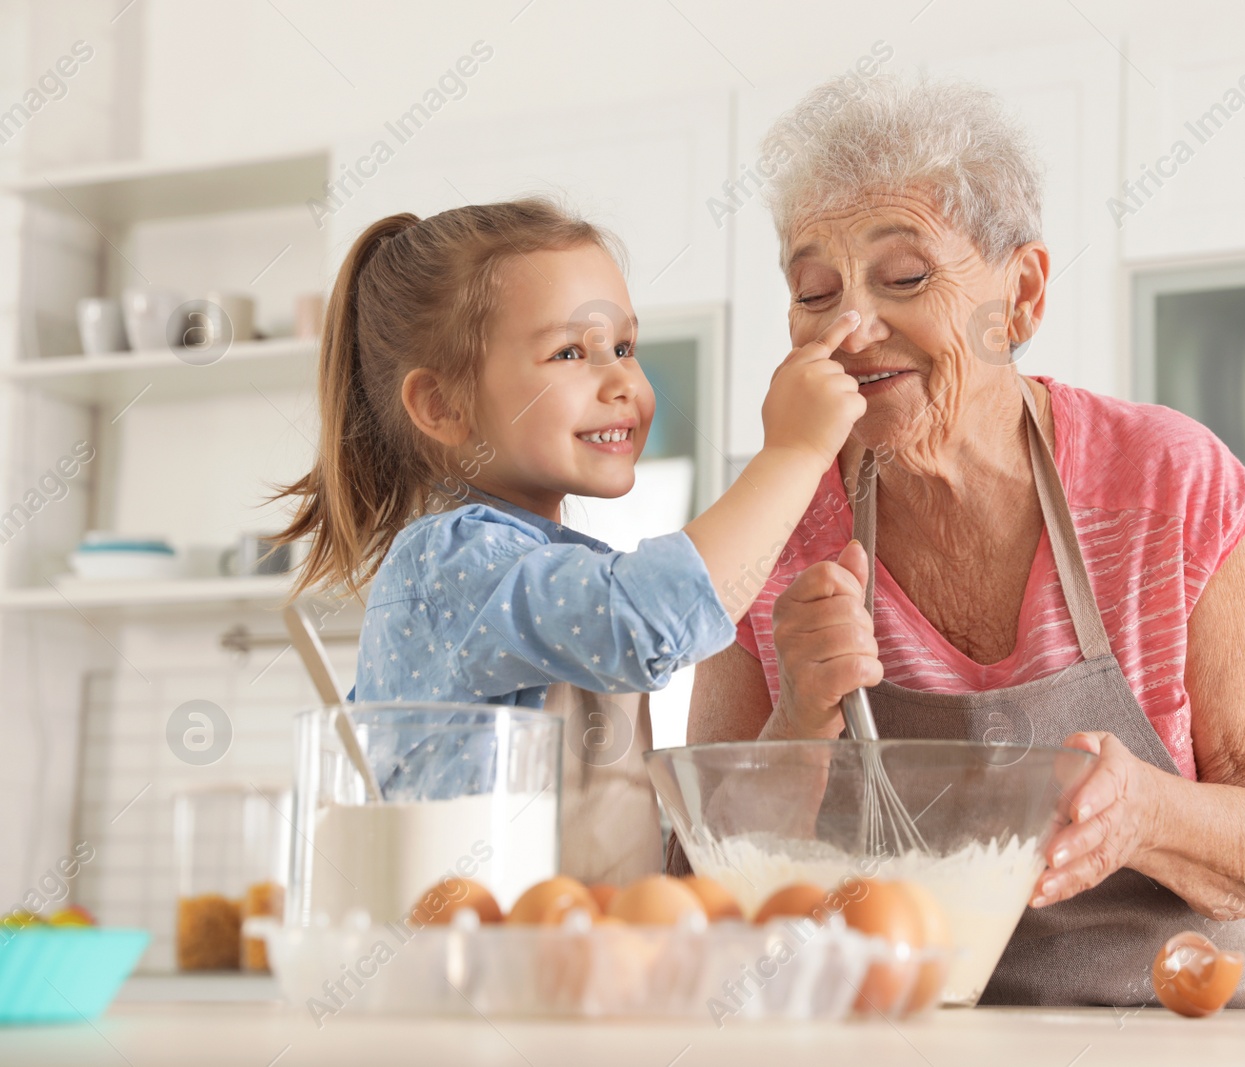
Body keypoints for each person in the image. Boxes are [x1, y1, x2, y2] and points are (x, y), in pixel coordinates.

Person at [686, 77, 1245, 1009]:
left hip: (1193, 1029)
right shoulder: (773, 526)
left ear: (1020, 296)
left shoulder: (1168, 482)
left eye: (905, 278)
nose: (848, 329)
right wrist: (799, 723)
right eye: (813, 290)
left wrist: (1148, 813)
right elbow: (703, 881)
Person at [274, 197, 863, 880]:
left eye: (623, 347)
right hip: (476, 972)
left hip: (573, 967)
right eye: (569, 353)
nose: (622, 381)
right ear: (443, 406)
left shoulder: (559, 570)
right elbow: (650, 620)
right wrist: (792, 452)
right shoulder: (446, 563)